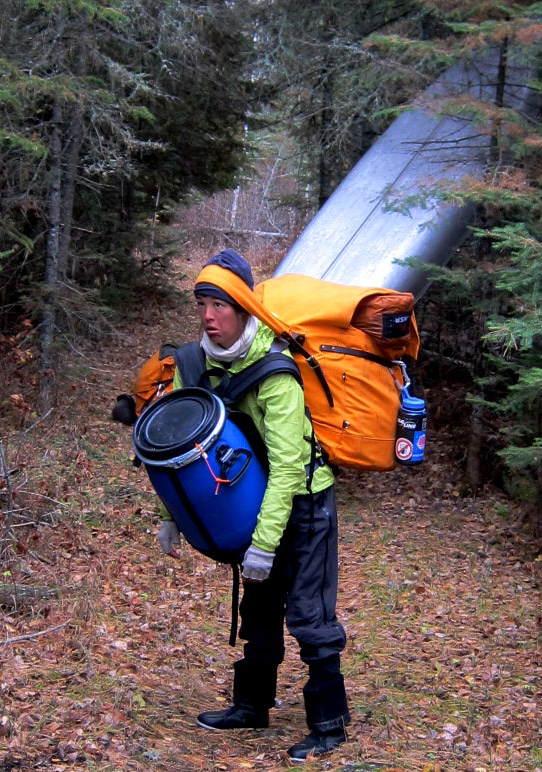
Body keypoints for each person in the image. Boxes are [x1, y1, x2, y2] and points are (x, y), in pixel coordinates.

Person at [154, 248, 350, 763]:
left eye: (219, 305)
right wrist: (172, 515)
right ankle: (252, 706)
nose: (207, 316)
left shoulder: (275, 371)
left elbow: (288, 468)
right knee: (258, 607)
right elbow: (178, 448)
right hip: (251, 496)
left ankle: (328, 724)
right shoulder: (194, 366)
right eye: (201, 304)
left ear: (242, 308)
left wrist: (263, 545)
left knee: (308, 613)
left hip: (305, 501)